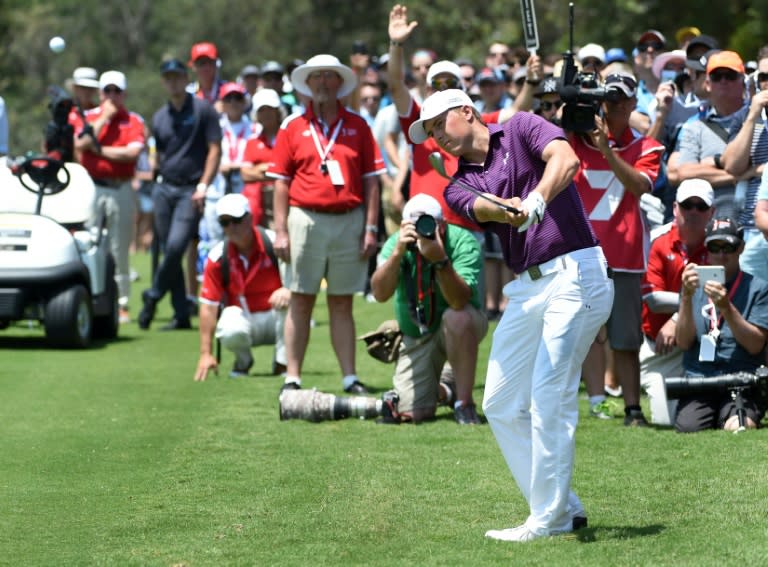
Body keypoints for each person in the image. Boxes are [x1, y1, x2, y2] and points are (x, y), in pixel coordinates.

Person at [407, 87, 613, 540]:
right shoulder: (456, 184)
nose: (437, 135)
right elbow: (487, 208)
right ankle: (563, 506)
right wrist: (516, 209)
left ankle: (549, 517)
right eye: (431, 131)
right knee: (499, 402)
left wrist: (538, 194)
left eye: (442, 122)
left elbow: (566, 160)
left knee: (548, 395)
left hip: (576, 270)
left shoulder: (521, 127)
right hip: (527, 288)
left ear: (468, 111)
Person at [267, 54, 385, 394]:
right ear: (307, 84)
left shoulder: (358, 125)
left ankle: (349, 377)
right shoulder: (293, 126)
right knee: (300, 298)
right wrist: (280, 230)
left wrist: (371, 228)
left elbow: (371, 180)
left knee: (342, 301)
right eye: (315, 77)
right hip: (304, 218)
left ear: (339, 83)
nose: (321, 83)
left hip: (349, 219)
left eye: (328, 77)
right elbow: (279, 183)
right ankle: (293, 377)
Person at [570, 71, 664, 425]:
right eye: (607, 100)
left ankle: (632, 408)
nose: (613, 108)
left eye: (621, 101)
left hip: (624, 258)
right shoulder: (575, 140)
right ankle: (591, 402)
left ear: (633, 104)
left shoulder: (647, 146)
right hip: (581, 255)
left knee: (625, 338)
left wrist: (607, 150)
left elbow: (640, 186)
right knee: (583, 334)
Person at [370, 194, 487, 424]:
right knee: (412, 414)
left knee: (457, 318)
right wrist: (397, 254)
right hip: (417, 332)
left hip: (463, 323)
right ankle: (445, 389)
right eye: (415, 225)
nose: (423, 230)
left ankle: (464, 404)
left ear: (442, 224)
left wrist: (441, 260)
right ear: (404, 226)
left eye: (429, 224)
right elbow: (379, 294)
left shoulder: (462, 241)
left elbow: (459, 301)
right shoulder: (397, 243)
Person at [138, 58, 222, 331]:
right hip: (164, 187)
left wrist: (203, 185)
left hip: (191, 189)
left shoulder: (203, 110)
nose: (173, 82)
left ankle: (152, 295)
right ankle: (181, 314)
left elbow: (214, 150)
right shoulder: (160, 116)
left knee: (176, 246)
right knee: (168, 250)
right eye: (168, 78)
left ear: (186, 79)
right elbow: (158, 154)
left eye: (177, 77)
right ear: (164, 82)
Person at [675, 217, 768, 432]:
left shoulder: (759, 288)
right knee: (688, 429)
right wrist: (687, 298)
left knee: (740, 426)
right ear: (706, 249)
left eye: (729, 246)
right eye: (715, 247)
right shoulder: (692, 285)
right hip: (700, 378)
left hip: (740, 378)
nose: (721, 254)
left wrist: (726, 307)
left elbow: (755, 345)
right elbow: (683, 341)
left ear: (741, 248)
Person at [71, 70, 146, 325]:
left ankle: (121, 303)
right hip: (92, 188)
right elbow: (81, 144)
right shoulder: (90, 116)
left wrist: (100, 150)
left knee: (119, 248)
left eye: (117, 91)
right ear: (101, 93)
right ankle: (92, 299)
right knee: (90, 245)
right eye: (107, 91)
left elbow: (131, 154)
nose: (112, 96)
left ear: (124, 94)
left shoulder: (133, 120)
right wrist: (104, 118)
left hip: (121, 187)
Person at [640, 179, 715, 423]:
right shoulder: (656, 240)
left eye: (701, 207)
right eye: (687, 205)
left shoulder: (720, 245)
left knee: (711, 417)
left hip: (704, 346)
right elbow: (653, 298)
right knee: (665, 421)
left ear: (711, 212)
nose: (693, 212)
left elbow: (722, 296)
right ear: (674, 208)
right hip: (662, 349)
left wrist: (676, 317)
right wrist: (687, 305)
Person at [194, 194, 289, 381]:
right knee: (229, 323)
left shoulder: (274, 243)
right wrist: (206, 353)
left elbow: (301, 281)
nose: (231, 227)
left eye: (236, 220)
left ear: (250, 218)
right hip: (244, 319)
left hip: (276, 316)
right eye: (225, 222)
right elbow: (208, 306)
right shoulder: (217, 257)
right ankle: (243, 362)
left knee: (294, 308)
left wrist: (288, 289)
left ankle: (283, 363)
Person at [668, 51, 753, 220]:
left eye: (730, 75)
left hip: (756, 221)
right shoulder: (694, 127)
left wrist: (710, 167)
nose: (723, 81)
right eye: (716, 76)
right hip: (710, 222)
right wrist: (744, 174)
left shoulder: (760, 121)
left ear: (743, 82)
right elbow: (684, 172)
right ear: (707, 84)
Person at [241, 89, 284, 228]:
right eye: (262, 110)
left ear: (278, 111)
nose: (266, 114)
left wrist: (261, 169)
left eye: (270, 109)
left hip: (285, 199)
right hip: (259, 204)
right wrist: (275, 171)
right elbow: (245, 174)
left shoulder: (289, 138)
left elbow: (289, 171)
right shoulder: (252, 141)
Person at [187, 42, 227, 112]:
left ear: (216, 64)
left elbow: (247, 103)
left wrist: (229, 106)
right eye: (201, 63)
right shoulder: (188, 92)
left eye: (210, 62)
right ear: (193, 66)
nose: (206, 67)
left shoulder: (228, 89)